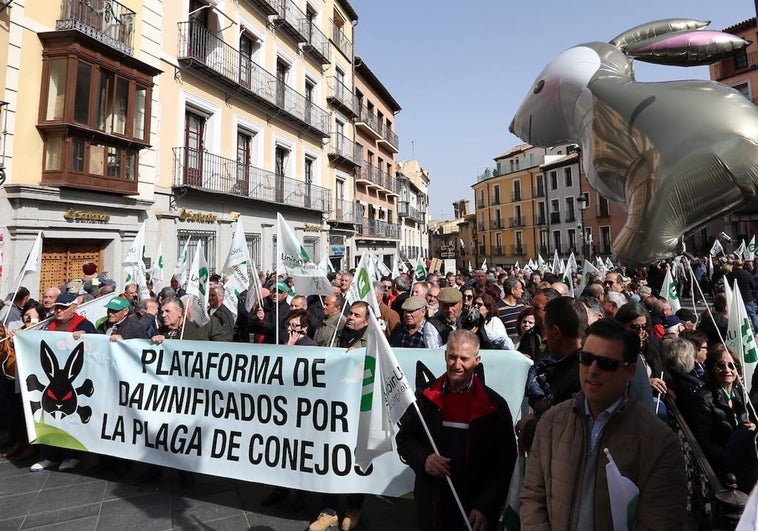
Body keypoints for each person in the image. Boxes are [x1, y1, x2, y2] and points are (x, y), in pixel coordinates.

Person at [520, 319, 687, 530]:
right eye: (586, 359)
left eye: (606, 363)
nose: (593, 370)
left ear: (630, 372)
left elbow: (660, 520)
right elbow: (533, 496)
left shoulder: (659, 442)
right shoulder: (552, 421)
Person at [396, 329, 516, 531]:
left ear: (476, 360)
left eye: (464, 359)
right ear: (445, 356)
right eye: (452, 357)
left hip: (473, 514)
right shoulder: (427, 397)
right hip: (432, 510)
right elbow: (404, 439)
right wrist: (425, 459)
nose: (457, 364)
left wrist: (486, 507)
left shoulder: (494, 406)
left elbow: (506, 463)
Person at [689, 344, 757, 489]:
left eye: (732, 365)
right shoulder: (704, 398)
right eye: (721, 365)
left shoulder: (738, 394)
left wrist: (751, 428)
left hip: (742, 459)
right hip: (723, 468)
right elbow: (703, 442)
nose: (727, 370)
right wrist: (731, 454)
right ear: (712, 369)